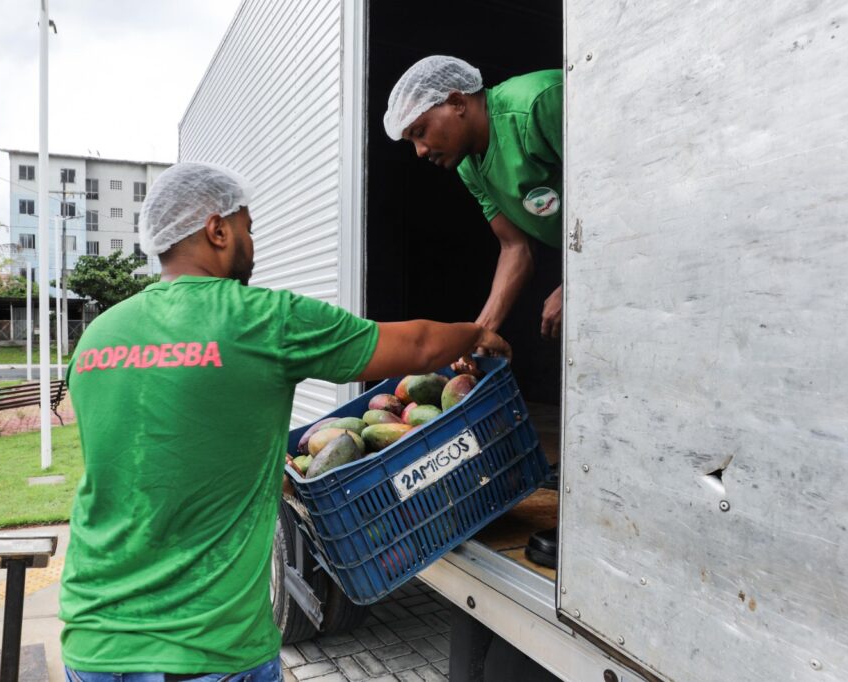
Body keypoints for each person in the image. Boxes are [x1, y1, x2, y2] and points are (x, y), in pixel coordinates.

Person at [59, 162, 510, 681]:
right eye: (248, 228)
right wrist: (478, 333)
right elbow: (418, 346)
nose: (253, 242)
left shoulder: (97, 336)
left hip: (93, 639)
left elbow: (145, 453)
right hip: (208, 648)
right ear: (218, 229)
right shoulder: (261, 318)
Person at [384, 56, 564, 350]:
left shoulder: (538, 103)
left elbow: (624, 188)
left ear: (457, 102)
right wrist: (477, 336)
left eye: (420, 132)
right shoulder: (469, 167)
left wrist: (575, 286)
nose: (419, 151)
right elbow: (516, 247)